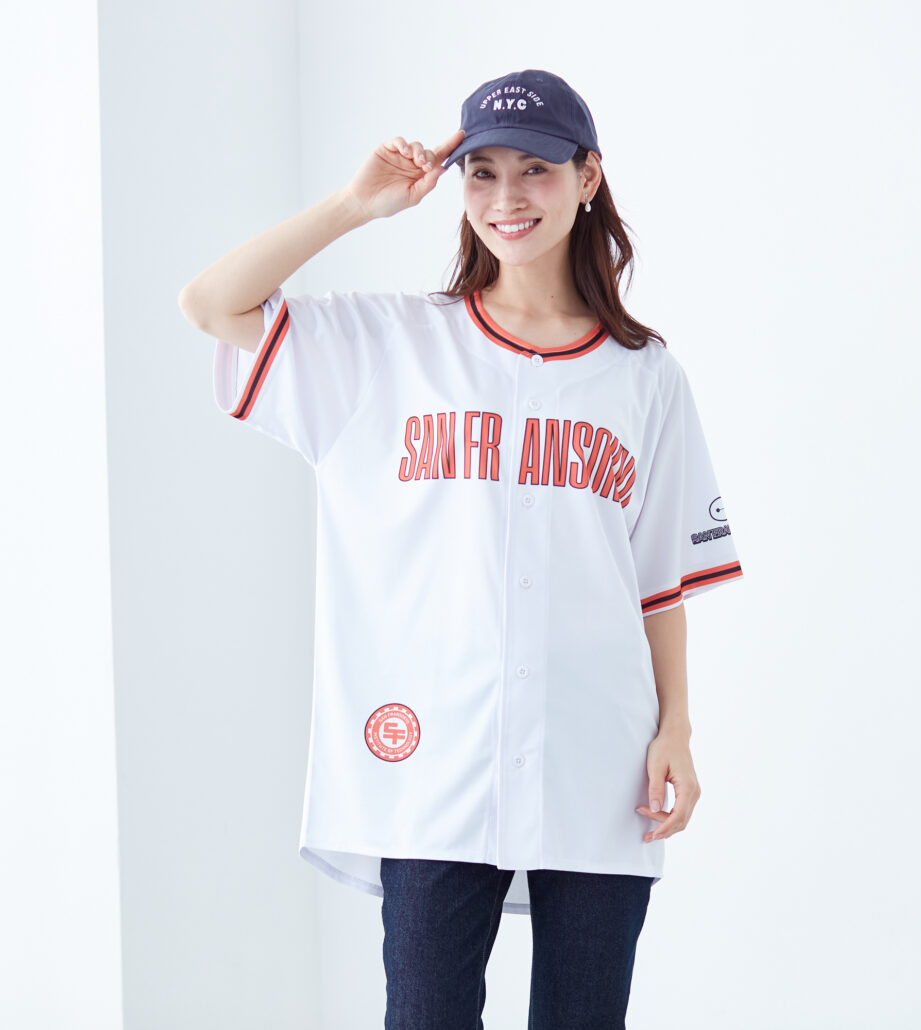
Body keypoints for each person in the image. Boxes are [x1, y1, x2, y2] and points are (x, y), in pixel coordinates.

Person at [179, 68, 743, 1029]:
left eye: (536, 169)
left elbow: (657, 582)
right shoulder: (391, 342)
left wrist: (676, 729)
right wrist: (354, 206)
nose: (507, 197)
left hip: (598, 751)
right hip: (433, 759)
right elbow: (210, 304)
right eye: (481, 172)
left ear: (588, 177)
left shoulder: (644, 374)